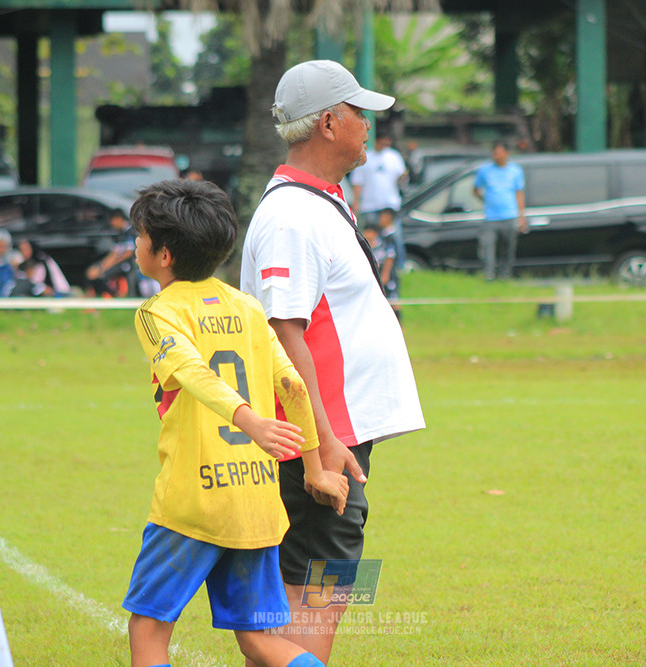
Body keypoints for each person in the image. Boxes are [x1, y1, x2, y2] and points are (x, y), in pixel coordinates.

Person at [122, 178, 351, 667]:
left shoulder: (156, 313)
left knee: (148, 629)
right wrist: (313, 468)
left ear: (163, 255)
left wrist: (248, 420)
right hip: (256, 501)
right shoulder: (248, 307)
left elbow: (190, 371)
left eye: (138, 236)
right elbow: (292, 385)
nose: (134, 245)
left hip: (193, 501)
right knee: (260, 641)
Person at [241, 59, 425, 663]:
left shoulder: (319, 202)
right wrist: (321, 445)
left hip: (335, 435)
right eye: (359, 112)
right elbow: (284, 332)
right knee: (319, 582)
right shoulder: (293, 215)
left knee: (329, 578)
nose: (369, 124)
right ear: (327, 122)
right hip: (321, 439)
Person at [473, 140, 526, 280]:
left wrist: (521, 217)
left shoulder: (515, 171)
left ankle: (505, 276)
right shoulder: (485, 170)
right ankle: (489, 276)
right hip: (491, 218)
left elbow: (519, 194)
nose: (495, 155)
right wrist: (486, 200)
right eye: (494, 152)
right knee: (487, 248)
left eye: (498, 153)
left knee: (508, 249)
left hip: (509, 216)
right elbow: (476, 189)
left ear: (506, 154)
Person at [349, 130, 406, 226]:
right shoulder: (366, 157)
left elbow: (402, 176)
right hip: (369, 206)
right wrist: (356, 203)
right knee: (372, 235)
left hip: (389, 204)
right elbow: (357, 182)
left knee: (391, 236)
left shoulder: (394, 156)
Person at [86, 208, 136, 297]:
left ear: (118, 218)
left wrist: (106, 268)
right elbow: (114, 253)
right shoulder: (119, 234)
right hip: (118, 262)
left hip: (130, 264)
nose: (111, 224)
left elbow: (128, 253)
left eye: (111, 220)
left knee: (102, 276)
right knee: (92, 271)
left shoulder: (131, 232)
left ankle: (112, 294)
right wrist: (101, 266)